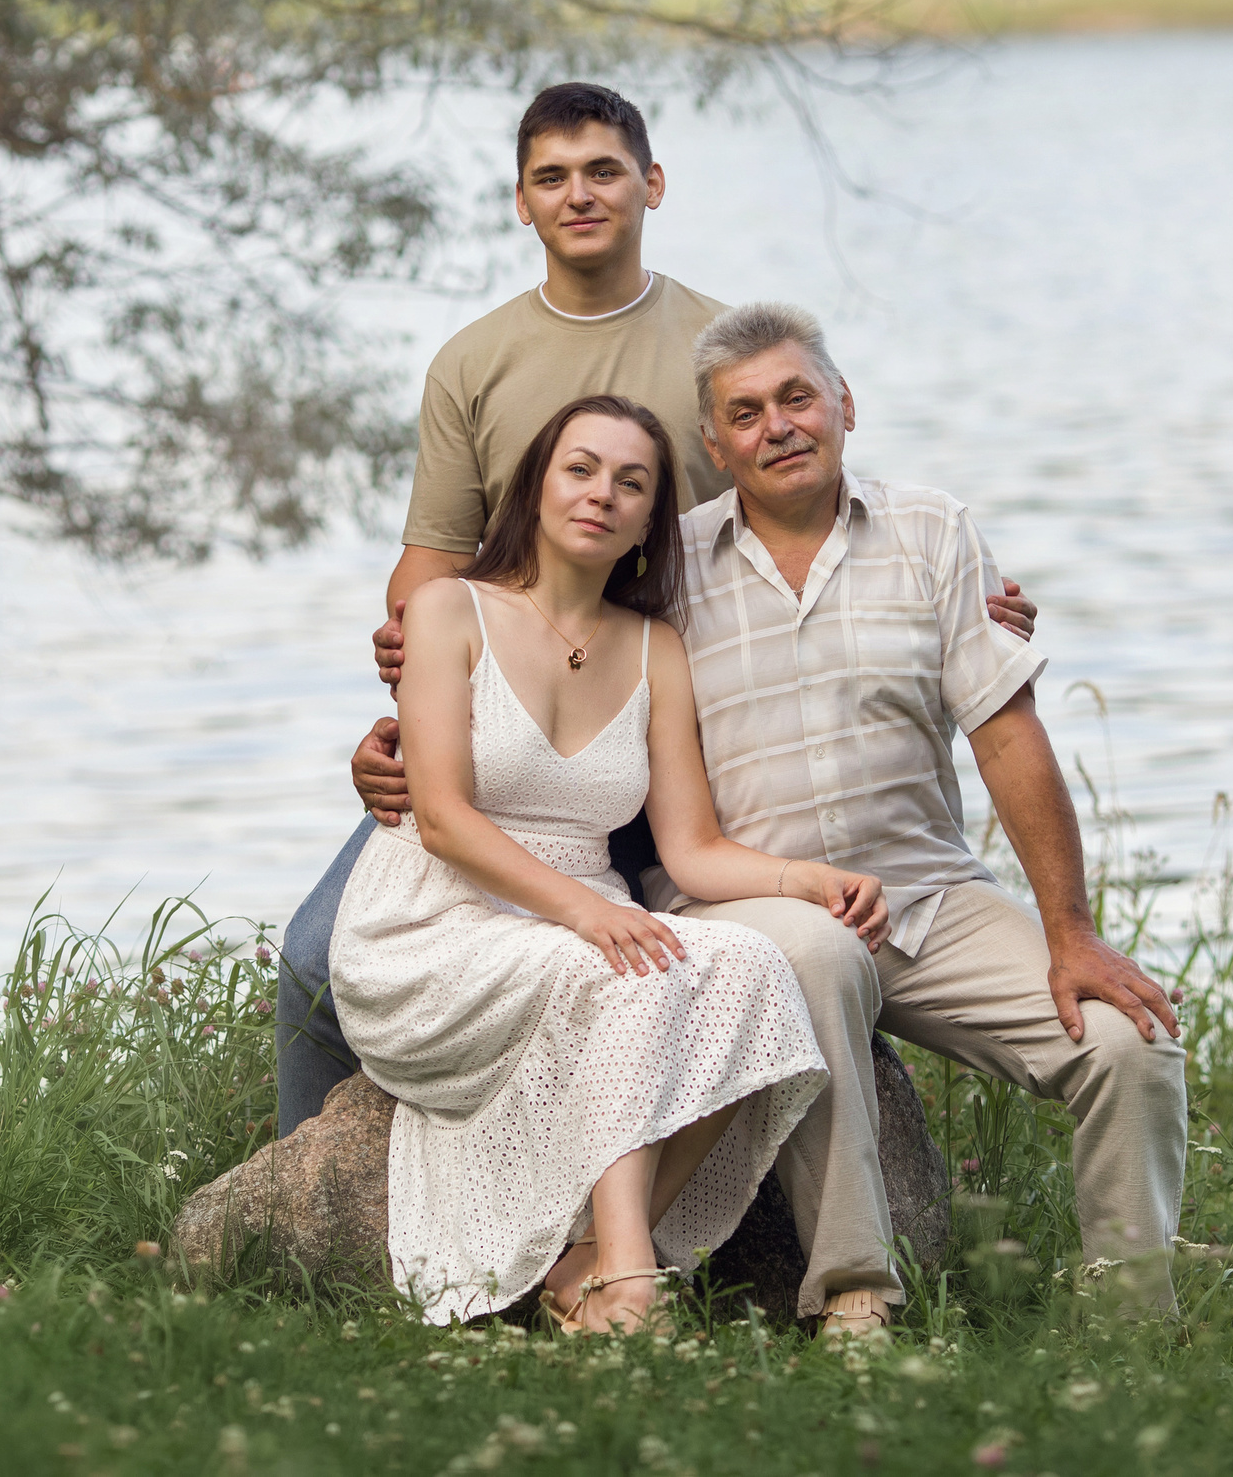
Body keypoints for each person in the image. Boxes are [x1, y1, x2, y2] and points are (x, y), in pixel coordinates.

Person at [277, 81, 1037, 1138]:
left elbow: (798, 487)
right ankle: (316, 1208)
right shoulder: (471, 362)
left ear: (652, 184)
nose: (579, 195)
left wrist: (957, 594)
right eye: (552, 176)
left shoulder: (706, 347)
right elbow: (429, 564)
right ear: (520, 202)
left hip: (677, 719)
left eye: (603, 170)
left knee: (689, 960)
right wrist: (411, 708)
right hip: (507, 733)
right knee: (314, 960)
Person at [661, 301, 1190, 1325]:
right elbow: (549, 641)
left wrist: (1070, 933)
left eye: (797, 397)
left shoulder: (931, 531)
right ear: (714, 444)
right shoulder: (669, 569)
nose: (778, 425)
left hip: (928, 898)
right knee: (812, 955)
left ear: (844, 406)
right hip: (760, 910)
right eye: (747, 411)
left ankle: (1133, 1330)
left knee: (1131, 1044)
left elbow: (1004, 735)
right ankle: (857, 1299)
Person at [329, 393, 885, 1332]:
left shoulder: (654, 646)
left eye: (632, 483)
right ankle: (631, 1287)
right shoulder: (447, 609)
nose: (603, 494)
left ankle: (585, 1265)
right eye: (581, 468)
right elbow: (445, 816)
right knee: (627, 971)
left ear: (647, 520)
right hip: (431, 922)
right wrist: (585, 915)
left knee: (752, 966)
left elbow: (693, 851)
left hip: (583, 913)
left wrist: (805, 882)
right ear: (537, 486)